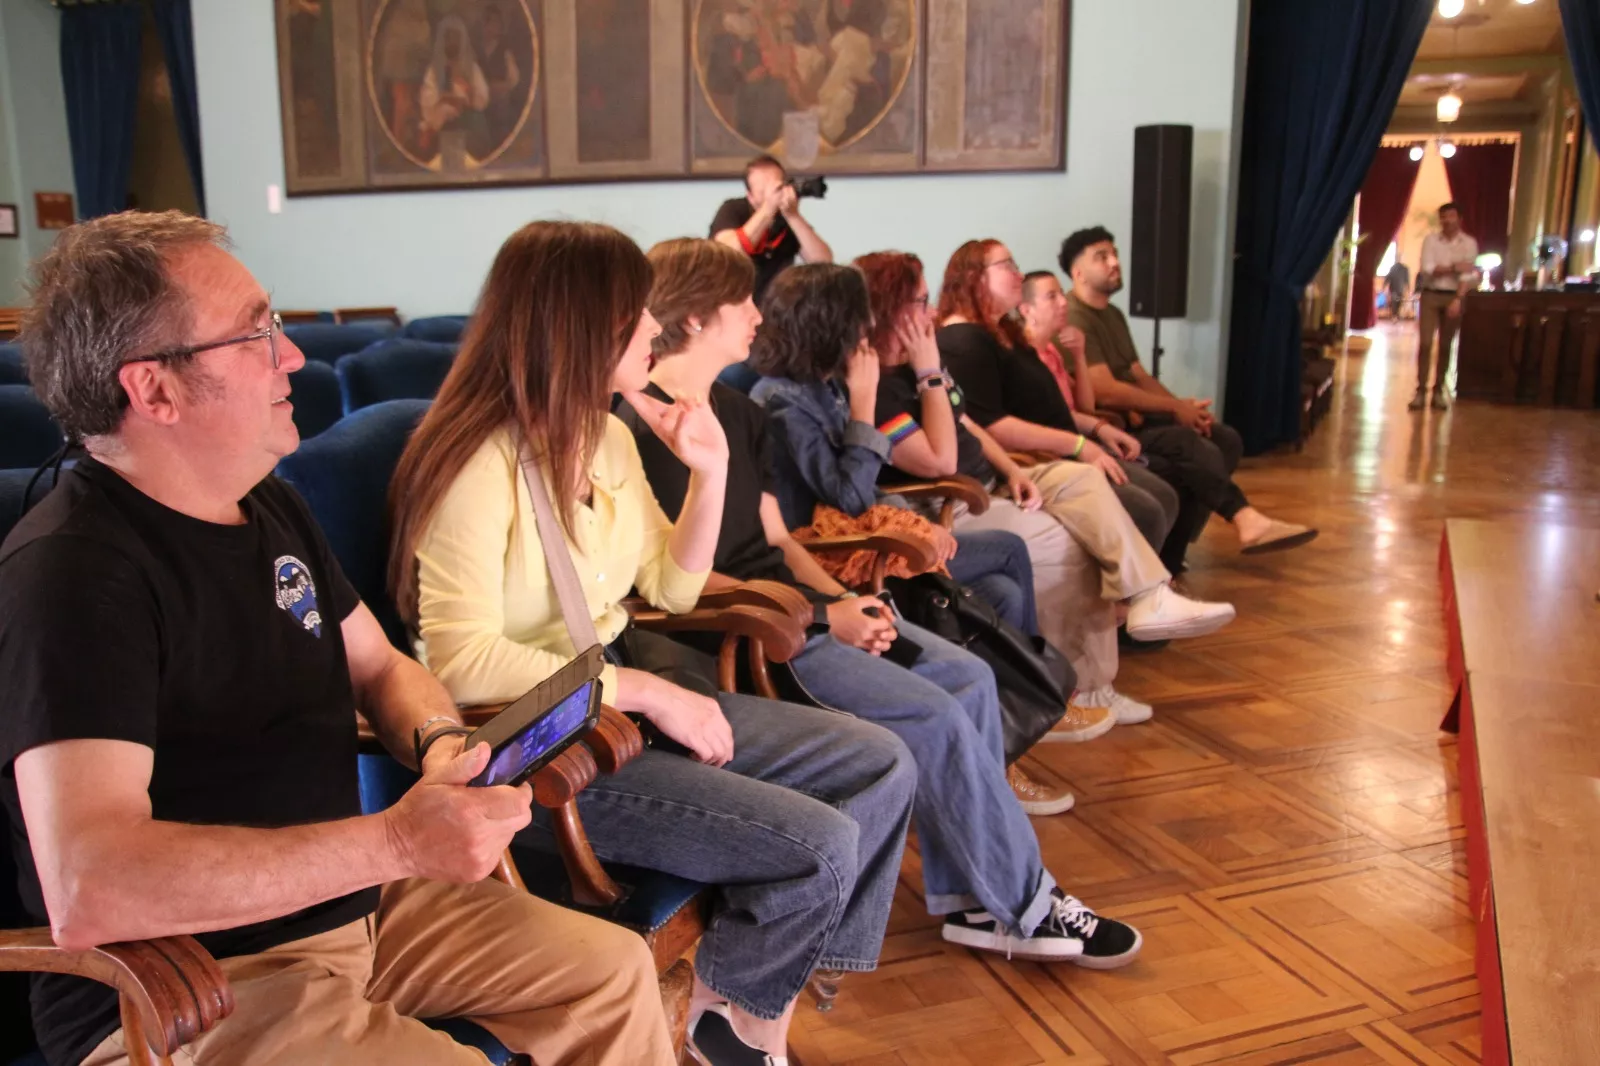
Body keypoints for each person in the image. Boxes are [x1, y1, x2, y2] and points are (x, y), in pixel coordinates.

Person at [0, 211, 674, 1066]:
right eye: (253, 336)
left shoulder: (265, 501)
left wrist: (438, 745)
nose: (291, 356)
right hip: (190, 981)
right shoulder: (74, 574)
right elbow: (91, 887)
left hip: (352, 903)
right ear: (153, 390)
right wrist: (395, 841)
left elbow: (382, 667)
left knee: (611, 972)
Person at [389, 220, 917, 1066]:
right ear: (584, 326)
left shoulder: (604, 436)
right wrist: (634, 690)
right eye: (635, 315)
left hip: (620, 689)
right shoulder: (475, 465)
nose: (650, 329)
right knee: (823, 844)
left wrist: (708, 475)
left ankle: (742, 1014)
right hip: (542, 747)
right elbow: (459, 663)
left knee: (882, 762)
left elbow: (669, 588)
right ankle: (743, 1026)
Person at [621, 237, 1143, 968]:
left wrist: (845, 598)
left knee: (968, 675)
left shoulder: (739, 411)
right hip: (740, 632)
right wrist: (816, 612)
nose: (753, 315)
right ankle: (1025, 905)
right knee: (928, 712)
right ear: (700, 317)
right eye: (740, 302)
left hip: (797, 603)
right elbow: (665, 581)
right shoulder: (633, 428)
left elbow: (775, 535)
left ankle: (971, 895)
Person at [856, 248, 1237, 728]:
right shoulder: (881, 381)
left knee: (1084, 477)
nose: (929, 312)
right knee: (1067, 543)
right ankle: (1065, 692)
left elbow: (969, 422)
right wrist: (929, 371)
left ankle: (1144, 602)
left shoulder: (920, 360)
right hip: (949, 500)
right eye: (918, 301)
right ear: (889, 309)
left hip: (997, 477)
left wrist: (1011, 470)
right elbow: (940, 460)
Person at [1060, 227, 1318, 557]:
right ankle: (1243, 520)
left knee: (1222, 437)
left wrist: (1181, 408)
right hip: (1114, 425)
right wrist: (1173, 410)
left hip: (1137, 415)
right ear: (1077, 272)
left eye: (1115, 254)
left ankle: (1177, 551)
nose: (1114, 262)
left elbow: (1138, 374)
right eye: (1102, 257)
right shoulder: (1074, 318)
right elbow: (1105, 391)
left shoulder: (1111, 314)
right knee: (1189, 445)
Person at [936, 263, 1178, 560]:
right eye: (1052, 296)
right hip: (1044, 455)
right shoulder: (965, 341)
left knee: (1164, 492)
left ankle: (1156, 584)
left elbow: (1060, 408)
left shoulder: (1011, 341)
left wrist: (1097, 428)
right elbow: (989, 425)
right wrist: (1079, 445)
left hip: (1064, 447)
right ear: (975, 277)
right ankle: (1134, 597)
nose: (1018, 274)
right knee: (1148, 508)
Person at [711, 156, 833, 307]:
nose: (774, 195)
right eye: (763, 191)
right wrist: (768, 209)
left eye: (778, 188)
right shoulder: (733, 209)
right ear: (750, 196)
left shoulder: (788, 217)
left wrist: (793, 216)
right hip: (735, 306)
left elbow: (824, 262)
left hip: (776, 309)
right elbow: (727, 253)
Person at [1413, 202, 1479, 411]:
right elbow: (1427, 269)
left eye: (1451, 216)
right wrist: (1454, 267)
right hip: (1430, 295)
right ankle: (1421, 390)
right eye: (1443, 216)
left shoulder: (1469, 243)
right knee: (1425, 343)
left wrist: (1458, 299)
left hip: (1454, 296)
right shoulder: (1431, 241)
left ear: (1460, 218)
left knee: (1445, 345)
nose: (1447, 220)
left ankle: (1438, 389)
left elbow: (1467, 274)